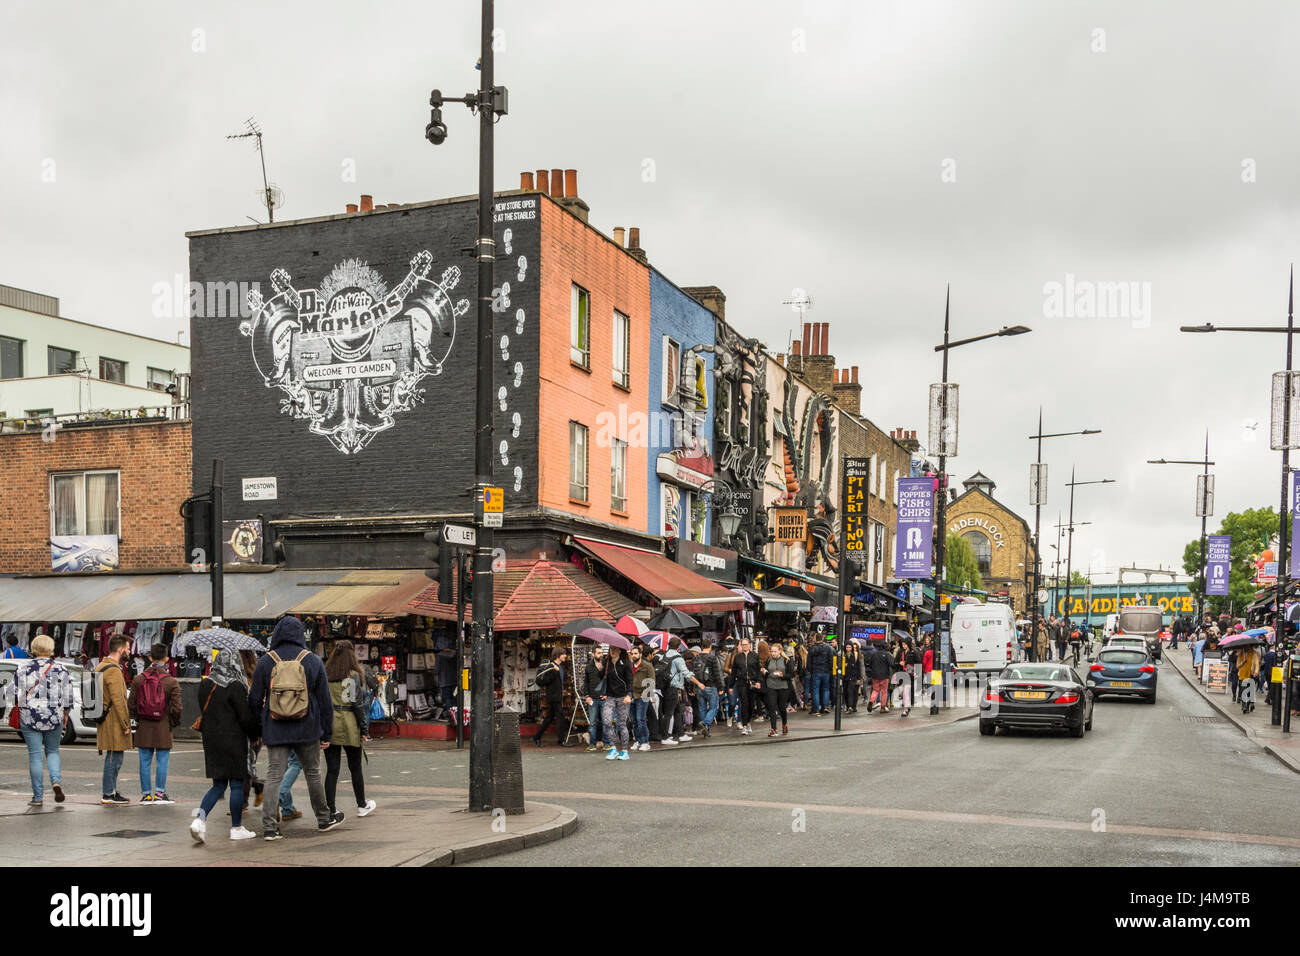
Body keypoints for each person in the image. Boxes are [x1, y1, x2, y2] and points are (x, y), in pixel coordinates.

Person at [249, 616, 340, 841]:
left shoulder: (266, 661)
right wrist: (326, 732)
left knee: (273, 776)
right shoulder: (312, 660)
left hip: (276, 727)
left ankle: (270, 827)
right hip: (307, 727)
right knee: (313, 773)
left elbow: (254, 699)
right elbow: (326, 702)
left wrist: (260, 728)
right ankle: (323, 818)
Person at [190, 650, 261, 843]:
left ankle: (199, 821)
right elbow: (245, 717)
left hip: (212, 741)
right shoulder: (236, 685)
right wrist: (255, 734)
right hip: (234, 740)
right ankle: (236, 827)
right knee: (237, 784)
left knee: (218, 785)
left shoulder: (205, 684)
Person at [9, 634, 73, 808]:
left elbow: (12, 693)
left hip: (29, 716)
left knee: (35, 756)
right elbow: (68, 694)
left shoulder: (23, 669)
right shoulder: (60, 669)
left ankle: (38, 797)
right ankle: (56, 781)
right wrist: (65, 713)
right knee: (53, 751)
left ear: (34, 648)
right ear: (51, 648)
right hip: (54, 715)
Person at [323, 640, 376, 819]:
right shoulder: (353, 675)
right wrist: (364, 729)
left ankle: (330, 808)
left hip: (331, 723)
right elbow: (357, 704)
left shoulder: (326, 673)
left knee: (332, 769)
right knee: (355, 767)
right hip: (349, 723)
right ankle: (361, 805)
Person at [128, 642, 182, 804]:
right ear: (166, 658)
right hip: (164, 725)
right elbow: (177, 708)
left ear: (150, 657)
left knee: (144, 761)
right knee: (162, 760)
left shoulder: (138, 679)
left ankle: (146, 794)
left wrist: (138, 718)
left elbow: (131, 705)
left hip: (144, 725)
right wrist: (173, 722)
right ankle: (160, 793)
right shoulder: (171, 682)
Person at [95, 635, 133, 806]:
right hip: (113, 720)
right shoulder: (113, 670)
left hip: (104, 716)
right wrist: (126, 724)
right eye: (128, 647)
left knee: (113, 755)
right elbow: (119, 700)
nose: (130, 651)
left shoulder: (101, 666)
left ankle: (110, 790)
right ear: (120, 650)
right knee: (114, 757)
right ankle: (109, 792)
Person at [660, 636, 705, 744]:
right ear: (679, 646)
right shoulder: (678, 658)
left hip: (666, 686)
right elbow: (686, 673)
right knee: (670, 713)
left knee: (677, 711)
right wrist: (698, 683)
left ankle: (681, 734)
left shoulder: (665, 655)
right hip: (674, 687)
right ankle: (665, 737)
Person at [598, 644, 634, 760]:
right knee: (607, 721)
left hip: (623, 697)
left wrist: (629, 695)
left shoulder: (626, 663)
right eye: (611, 649)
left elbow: (630, 681)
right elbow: (601, 677)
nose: (612, 651)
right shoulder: (607, 661)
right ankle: (613, 748)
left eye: (614, 648)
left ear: (620, 649)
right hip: (610, 696)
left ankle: (624, 751)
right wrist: (600, 667)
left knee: (621, 724)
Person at [531, 647, 571, 747]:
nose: (565, 656)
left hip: (558, 696)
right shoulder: (552, 666)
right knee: (560, 717)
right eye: (563, 654)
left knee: (549, 718)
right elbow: (545, 681)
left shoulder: (560, 667)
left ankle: (536, 737)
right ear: (558, 655)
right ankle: (561, 741)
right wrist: (554, 671)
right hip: (553, 697)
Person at [689, 638, 725, 737]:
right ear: (710, 647)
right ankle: (705, 723)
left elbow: (691, 674)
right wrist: (721, 687)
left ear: (701, 646)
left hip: (699, 686)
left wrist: (691, 688)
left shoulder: (695, 658)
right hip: (711, 686)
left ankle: (706, 731)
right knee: (714, 707)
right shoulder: (712, 658)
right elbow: (717, 674)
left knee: (702, 708)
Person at [729, 636, 762, 735]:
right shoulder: (737, 657)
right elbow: (733, 672)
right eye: (742, 644)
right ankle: (744, 726)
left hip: (752, 683)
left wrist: (759, 681)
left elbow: (758, 670)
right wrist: (731, 686)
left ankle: (748, 723)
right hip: (741, 683)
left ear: (749, 645)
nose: (744, 646)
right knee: (744, 704)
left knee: (751, 704)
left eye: (746, 644)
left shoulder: (755, 656)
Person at [761, 642, 792, 736]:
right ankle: (773, 729)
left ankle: (784, 724)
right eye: (772, 651)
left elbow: (791, 674)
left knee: (782, 707)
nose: (773, 653)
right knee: (771, 706)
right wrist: (764, 672)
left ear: (780, 651)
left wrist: (782, 675)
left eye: (775, 651)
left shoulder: (786, 660)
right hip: (771, 686)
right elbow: (767, 673)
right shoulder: (769, 660)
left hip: (783, 686)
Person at [628, 644, 655, 751]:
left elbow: (652, 681)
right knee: (634, 720)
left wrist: (647, 695)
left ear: (640, 654)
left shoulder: (647, 666)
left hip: (642, 696)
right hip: (631, 696)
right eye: (632, 654)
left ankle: (645, 742)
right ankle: (638, 740)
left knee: (641, 719)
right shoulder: (629, 666)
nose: (633, 655)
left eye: (635, 653)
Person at [582, 644, 607, 752]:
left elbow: (609, 681)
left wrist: (608, 693)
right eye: (598, 653)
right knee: (592, 723)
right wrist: (587, 696)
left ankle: (606, 743)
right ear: (593, 654)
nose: (601, 655)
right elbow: (586, 683)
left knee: (606, 722)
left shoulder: (606, 665)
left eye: (602, 653)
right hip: (592, 698)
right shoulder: (589, 667)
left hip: (603, 698)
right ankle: (592, 744)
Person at [805, 634, 834, 716]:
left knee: (815, 690)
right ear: (823, 638)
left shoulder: (811, 649)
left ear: (815, 639)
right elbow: (831, 660)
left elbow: (809, 662)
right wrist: (829, 669)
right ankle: (825, 707)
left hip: (816, 672)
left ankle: (816, 709)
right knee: (825, 689)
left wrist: (811, 670)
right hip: (826, 671)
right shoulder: (828, 648)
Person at [866, 641, 893, 713]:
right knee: (884, 691)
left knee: (875, 690)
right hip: (884, 675)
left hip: (875, 675)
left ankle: (871, 701)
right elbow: (891, 664)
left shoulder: (874, 654)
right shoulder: (887, 654)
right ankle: (883, 708)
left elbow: (870, 664)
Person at [1238, 644, 1261, 714]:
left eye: (1248, 646)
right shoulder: (1241, 654)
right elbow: (1238, 665)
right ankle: (1244, 705)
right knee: (1242, 690)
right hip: (1242, 675)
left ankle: (1246, 706)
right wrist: (1242, 662)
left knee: (1249, 691)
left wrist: (1256, 671)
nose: (1246, 648)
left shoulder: (1255, 654)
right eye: (1245, 646)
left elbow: (1257, 664)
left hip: (1251, 674)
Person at [843, 640, 864, 714]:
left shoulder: (856, 654)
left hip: (853, 676)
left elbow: (858, 666)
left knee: (850, 691)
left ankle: (850, 707)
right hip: (845, 676)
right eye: (847, 647)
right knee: (845, 691)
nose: (848, 648)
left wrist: (859, 677)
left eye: (850, 647)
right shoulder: (843, 655)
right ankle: (848, 705)